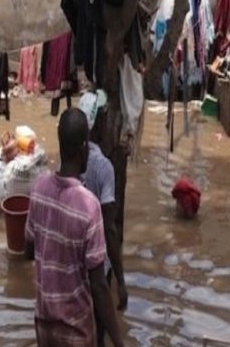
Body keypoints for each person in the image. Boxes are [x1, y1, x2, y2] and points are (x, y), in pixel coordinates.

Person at [25, 109, 123, 347]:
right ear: (83, 149)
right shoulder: (89, 206)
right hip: (75, 330)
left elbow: (28, 250)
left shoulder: (38, 189)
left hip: (44, 324)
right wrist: (119, 342)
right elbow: (99, 286)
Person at [78, 92, 129, 346]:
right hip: (98, 266)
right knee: (98, 331)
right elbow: (109, 229)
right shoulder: (103, 167)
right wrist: (120, 280)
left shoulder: (70, 159)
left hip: (74, 266)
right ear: (100, 122)